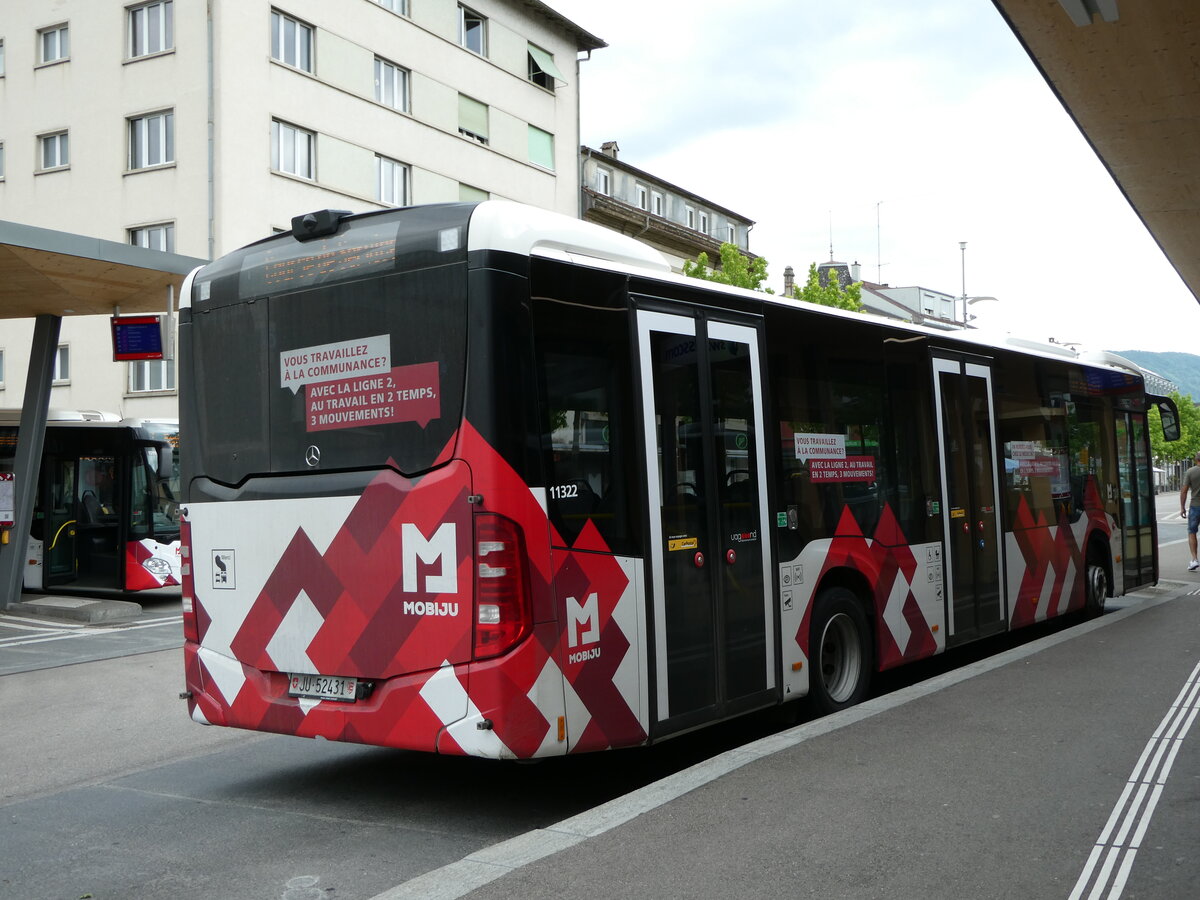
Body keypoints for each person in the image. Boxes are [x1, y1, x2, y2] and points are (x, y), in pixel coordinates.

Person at [1180, 451, 1200, 571]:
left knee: (1192, 532)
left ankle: (1194, 559)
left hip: (1195, 507)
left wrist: (1182, 507)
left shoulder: (1190, 472)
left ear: (1195, 459)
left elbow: (1184, 491)